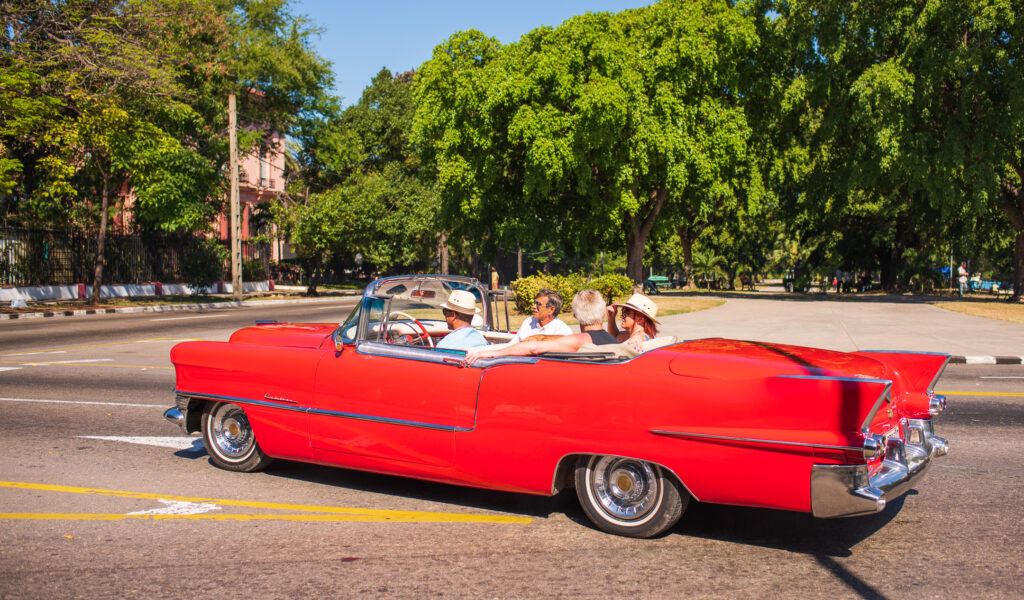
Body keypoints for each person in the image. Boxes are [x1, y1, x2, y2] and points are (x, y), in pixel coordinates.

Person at [465, 289, 617, 365]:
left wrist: (492, 354)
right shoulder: (617, 344)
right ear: (603, 313)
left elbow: (533, 348)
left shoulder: (577, 340)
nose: (534, 307)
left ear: (575, 316)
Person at [508, 288, 573, 343]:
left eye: (538, 304)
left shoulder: (563, 331)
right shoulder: (528, 322)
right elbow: (513, 344)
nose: (533, 306)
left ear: (551, 309)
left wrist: (539, 338)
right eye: (535, 303)